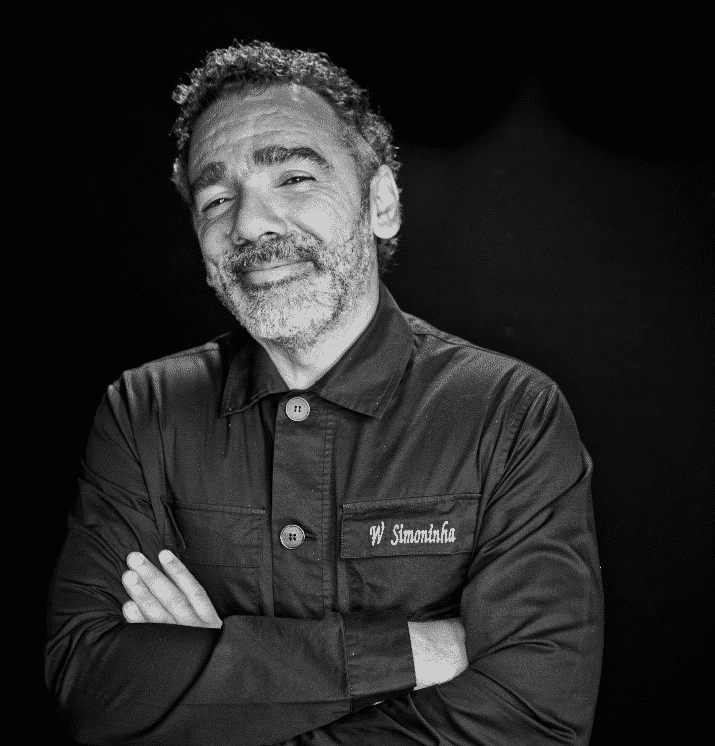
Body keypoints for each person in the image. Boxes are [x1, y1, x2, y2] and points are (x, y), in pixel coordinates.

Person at [45, 41, 604, 745]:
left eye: (295, 177)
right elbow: (93, 687)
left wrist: (222, 693)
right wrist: (415, 651)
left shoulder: (509, 412)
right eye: (216, 199)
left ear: (381, 204)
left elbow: (535, 719)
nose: (250, 223)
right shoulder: (143, 410)